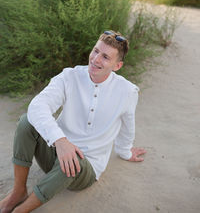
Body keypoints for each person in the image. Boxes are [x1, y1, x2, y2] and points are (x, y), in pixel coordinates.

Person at [0, 30, 146, 213]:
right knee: (26, 122)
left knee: (72, 162)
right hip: (56, 151)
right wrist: (60, 141)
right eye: (95, 51)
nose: (95, 59)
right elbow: (37, 106)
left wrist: (125, 151)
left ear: (117, 66)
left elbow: (127, 126)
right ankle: (18, 192)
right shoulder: (70, 76)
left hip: (86, 168)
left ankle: (21, 210)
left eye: (105, 57)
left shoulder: (127, 91)